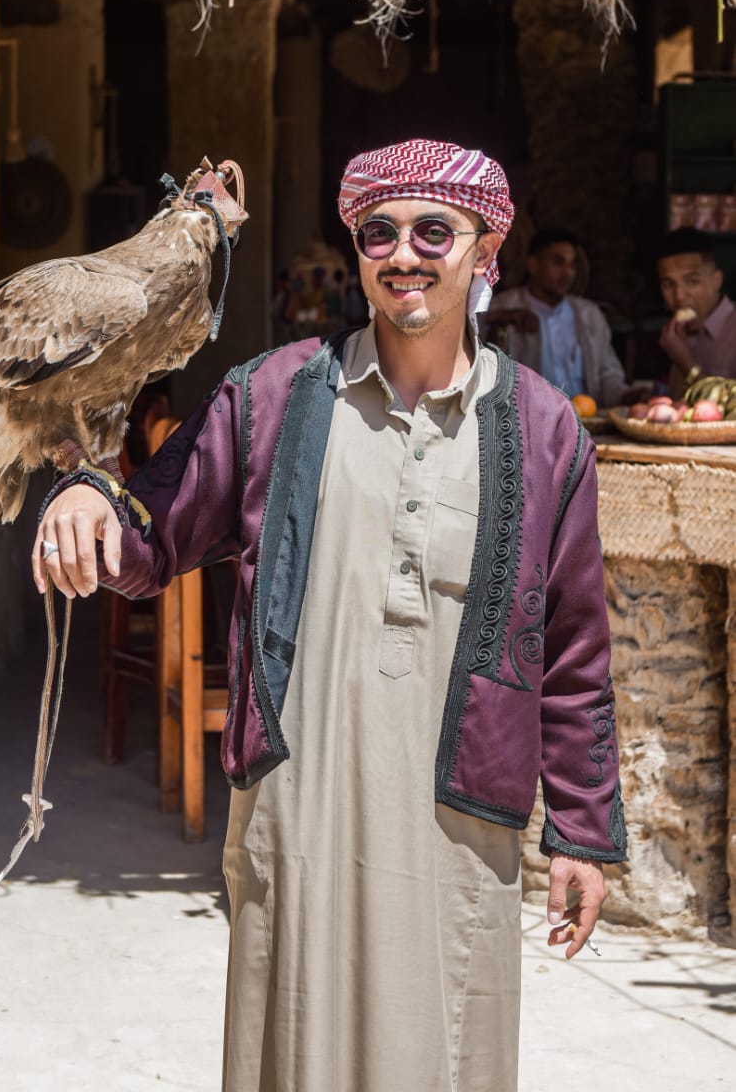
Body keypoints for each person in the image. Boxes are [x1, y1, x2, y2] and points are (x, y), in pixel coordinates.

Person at [33, 139, 626, 1092]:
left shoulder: (547, 427)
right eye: (377, 231)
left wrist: (584, 833)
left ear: (486, 251)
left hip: (460, 812)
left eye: (436, 229)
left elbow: (575, 648)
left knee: (447, 1051)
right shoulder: (273, 394)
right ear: (355, 252)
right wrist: (89, 497)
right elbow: (155, 532)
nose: (405, 253)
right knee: (291, 1049)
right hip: (298, 803)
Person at [483, 228, 639, 406]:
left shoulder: (590, 315)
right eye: (558, 262)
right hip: (526, 426)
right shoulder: (501, 308)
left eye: (572, 265)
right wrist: (498, 319)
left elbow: (608, 375)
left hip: (586, 423)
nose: (568, 273)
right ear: (533, 265)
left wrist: (625, 396)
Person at [656, 227, 736, 394]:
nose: (679, 297)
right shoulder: (677, 336)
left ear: (717, 280)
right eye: (668, 284)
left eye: (692, 281)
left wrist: (686, 364)